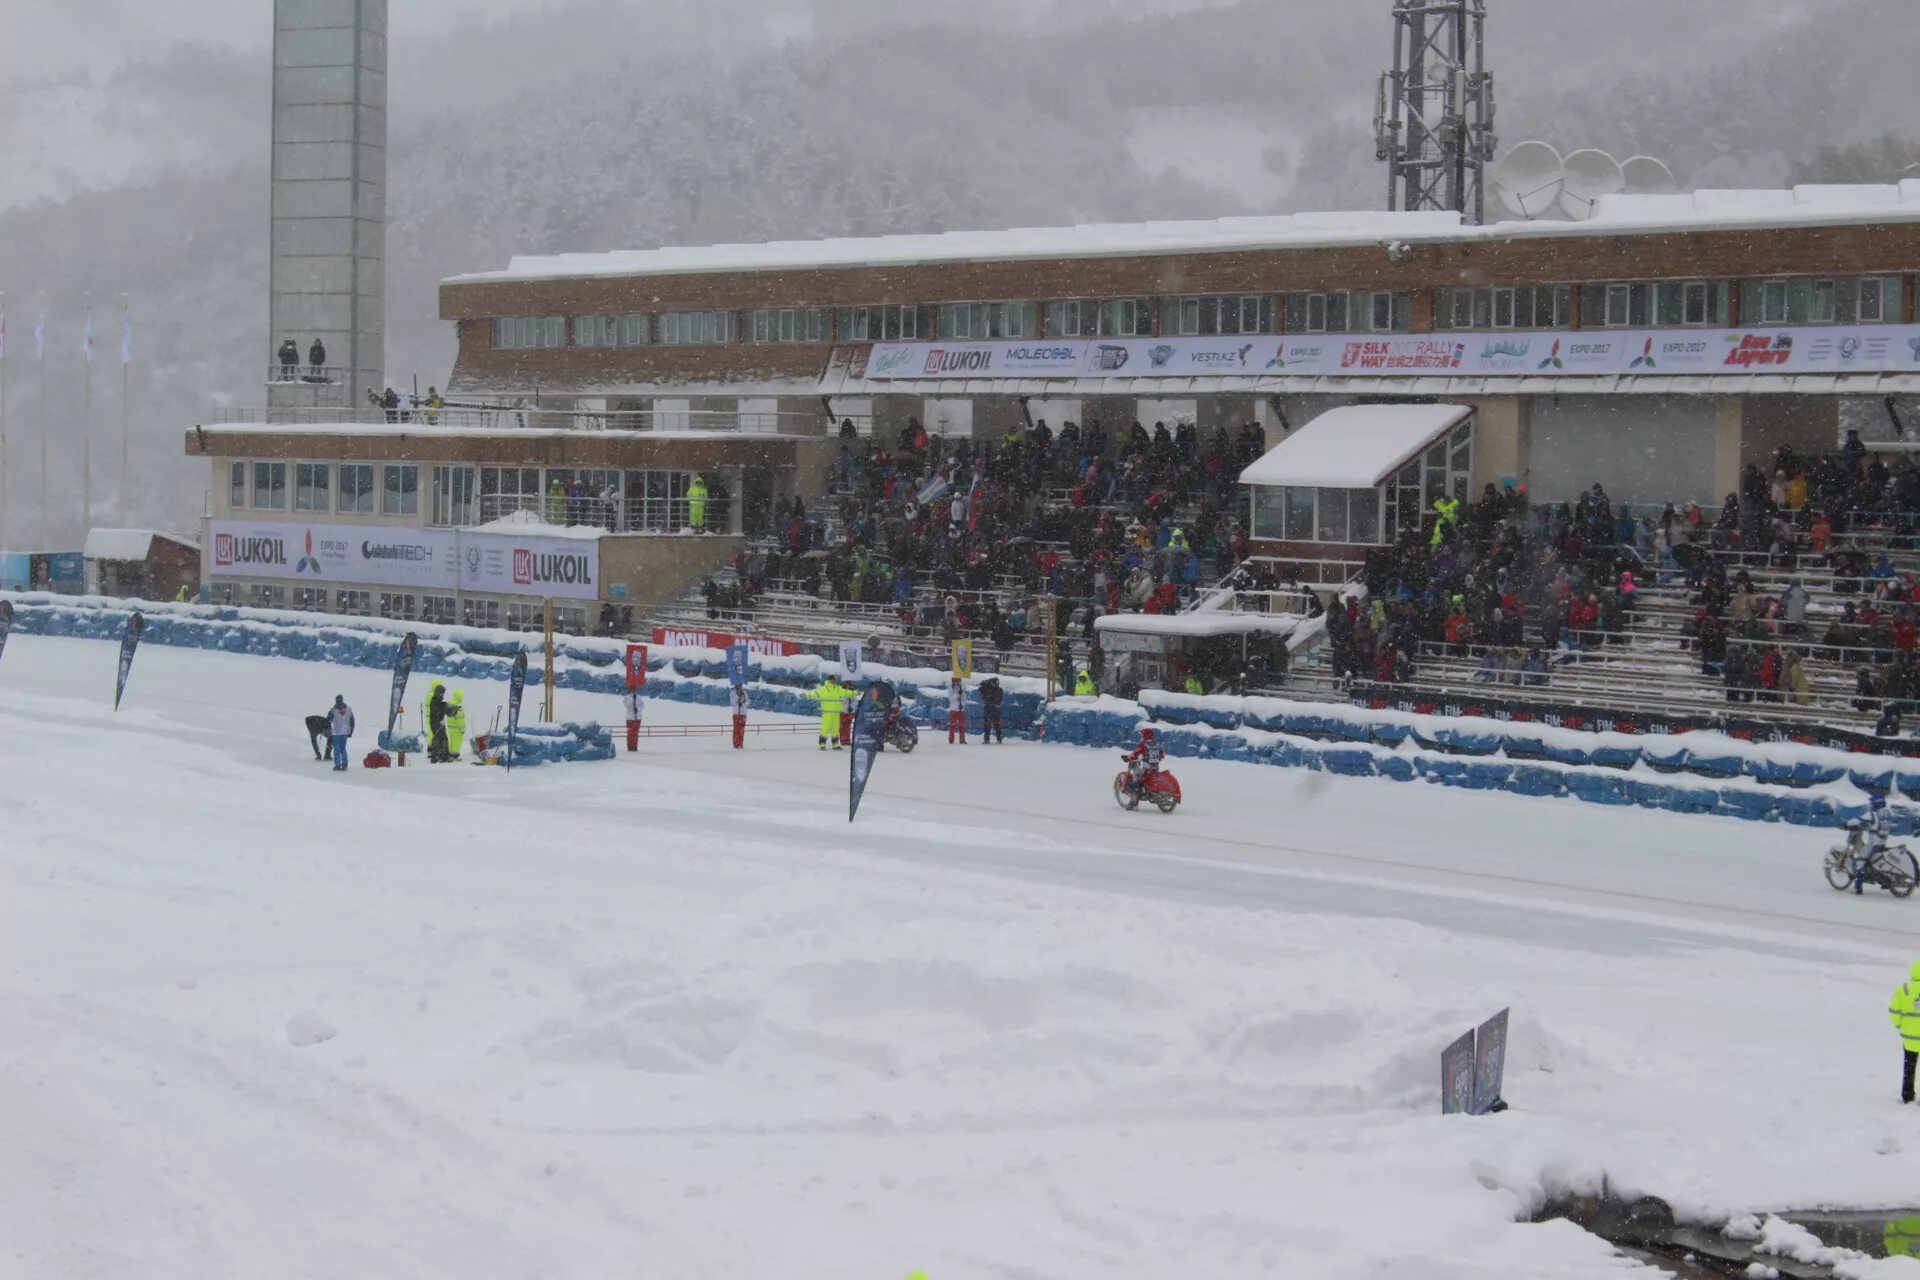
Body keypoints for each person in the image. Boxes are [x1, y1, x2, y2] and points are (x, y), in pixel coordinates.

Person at [1889, 956, 1920, 1103]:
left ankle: (1907, 1095)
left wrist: (1898, 1024)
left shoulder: (1904, 989)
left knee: (1909, 1065)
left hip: (1909, 1037)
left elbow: (1894, 1010)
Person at [1852, 793, 1893, 894]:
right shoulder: (1887, 813)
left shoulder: (1873, 814)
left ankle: (1858, 888)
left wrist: (1846, 823)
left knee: (1861, 861)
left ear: (1875, 803)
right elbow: (1877, 825)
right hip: (1882, 843)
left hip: (1873, 844)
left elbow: (1858, 820)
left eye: (1871, 803)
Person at [807, 675, 849, 750]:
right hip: (827, 713)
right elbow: (815, 694)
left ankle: (835, 744)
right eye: (833, 680)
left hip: (836, 712)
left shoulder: (838, 688)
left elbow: (846, 692)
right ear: (829, 680)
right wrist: (807, 695)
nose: (834, 681)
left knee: (835, 729)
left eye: (835, 680)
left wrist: (855, 693)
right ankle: (822, 744)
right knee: (825, 728)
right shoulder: (824, 689)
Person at [1121, 726, 1164, 798]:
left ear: (1144, 735)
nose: (1141, 737)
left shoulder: (1143, 744)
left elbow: (1135, 754)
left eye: (1142, 735)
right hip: (1156, 768)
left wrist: (1127, 758)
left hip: (1146, 769)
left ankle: (1133, 804)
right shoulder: (1157, 744)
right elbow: (1162, 755)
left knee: (1134, 784)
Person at [426, 680, 452, 763]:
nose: (442, 695)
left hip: (438, 722)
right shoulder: (435, 701)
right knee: (439, 739)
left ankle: (442, 756)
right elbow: (437, 711)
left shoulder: (436, 700)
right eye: (442, 693)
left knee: (441, 739)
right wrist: (445, 707)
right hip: (436, 723)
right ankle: (438, 756)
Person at [327, 695, 354, 771]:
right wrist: (350, 731)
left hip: (336, 732)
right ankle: (344, 764)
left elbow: (328, 719)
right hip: (344, 732)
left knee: (336, 749)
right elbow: (352, 721)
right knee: (343, 748)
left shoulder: (333, 710)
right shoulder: (348, 710)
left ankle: (338, 764)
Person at [979, 676, 1004, 744]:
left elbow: (1000, 699)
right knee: (988, 724)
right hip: (989, 708)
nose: (995, 684)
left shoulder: (999, 690)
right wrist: (988, 696)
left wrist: (992, 697)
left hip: (995, 708)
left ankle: (998, 739)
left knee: (996, 724)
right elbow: (982, 696)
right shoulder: (987, 689)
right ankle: (988, 739)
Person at [446, 689, 467, 760]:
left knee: (452, 742)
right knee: (456, 743)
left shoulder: (450, 705)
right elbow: (460, 720)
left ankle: (450, 754)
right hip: (457, 729)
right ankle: (454, 757)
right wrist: (463, 729)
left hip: (450, 728)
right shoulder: (458, 707)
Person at [947, 676, 968, 744]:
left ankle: (962, 739)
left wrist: (962, 703)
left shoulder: (962, 689)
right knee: (953, 725)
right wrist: (957, 696)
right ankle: (951, 739)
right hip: (953, 709)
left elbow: (964, 699)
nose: (957, 683)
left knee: (962, 725)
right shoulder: (951, 689)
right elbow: (950, 699)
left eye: (958, 681)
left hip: (961, 710)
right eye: (955, 681)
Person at [730, 682, 749, 749]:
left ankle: (740, 743)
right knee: (736, 729)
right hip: (736, 713)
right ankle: (736, 743)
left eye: (740, 684)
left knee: (742, 729)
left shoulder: (744, 692)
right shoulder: (733, 692)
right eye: (738, 684)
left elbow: (747, 702)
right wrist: (738, 696)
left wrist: (743, 702)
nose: (739, 685)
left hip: (743, 713)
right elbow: (732, 702)